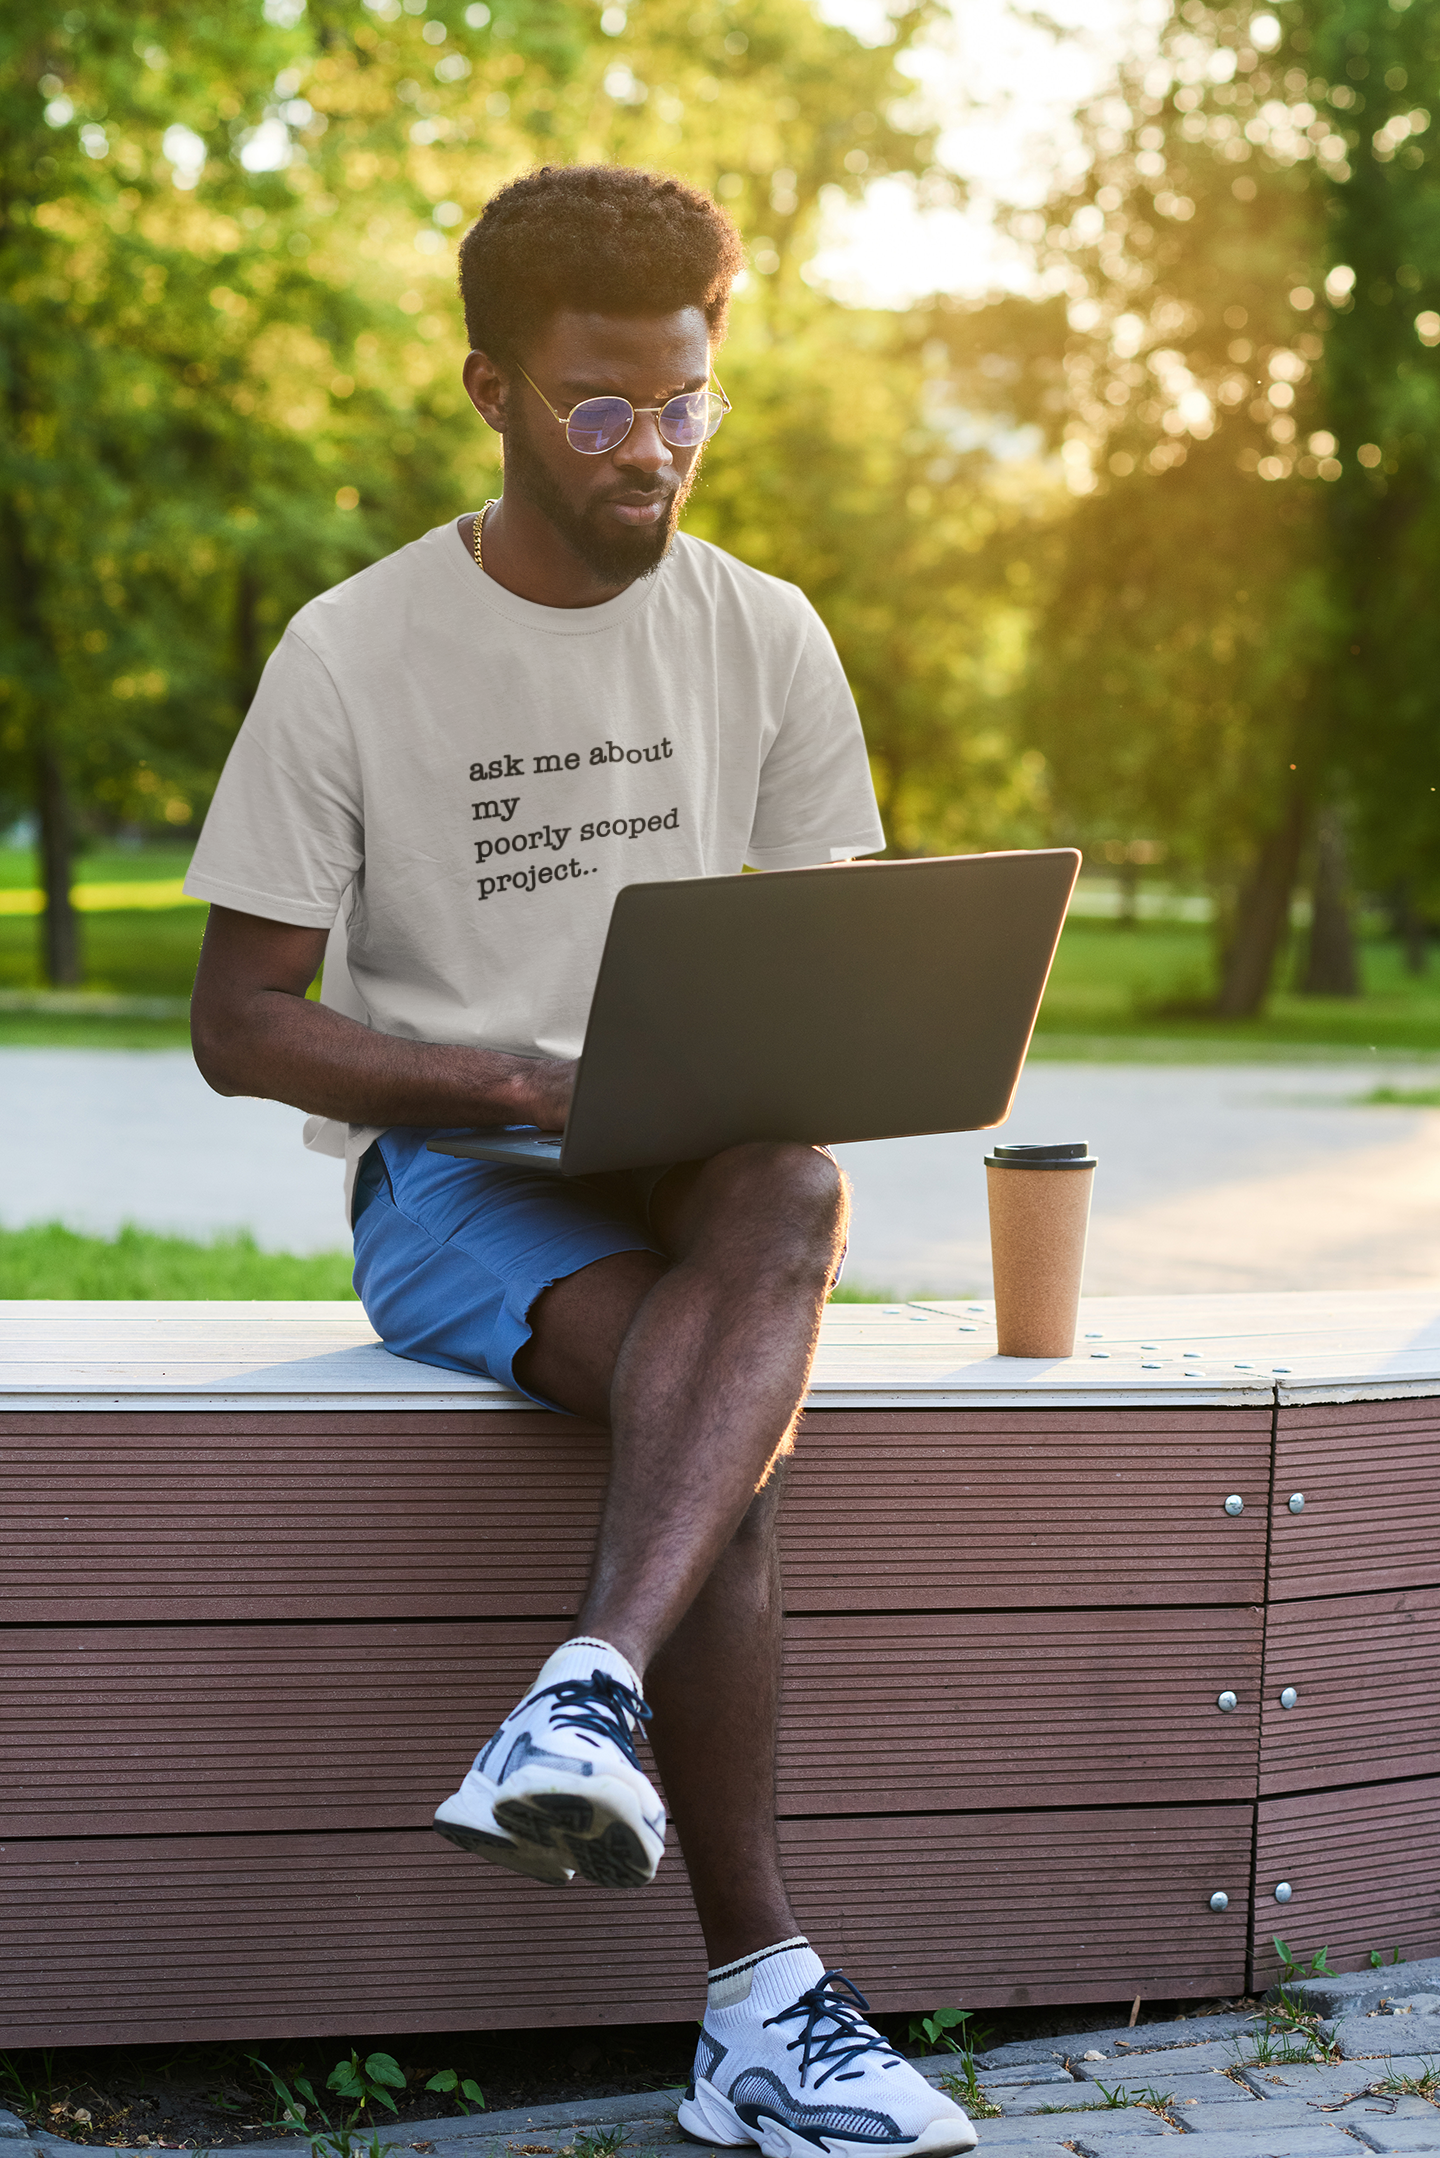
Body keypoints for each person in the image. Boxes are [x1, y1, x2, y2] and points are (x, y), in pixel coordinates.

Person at [186, 164, 976, 2158]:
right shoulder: (353, 651)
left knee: (789, 1187)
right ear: (493, 391)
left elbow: (833, 962)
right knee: (713, 1423)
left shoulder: (770, 636)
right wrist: (522, 1084)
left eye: (688, 405)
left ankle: (587, 1689)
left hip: (699, 1160)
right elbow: (240, 1017)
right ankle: (764, 2000)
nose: (654, 455)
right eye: (601, 411)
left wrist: (823, 1040)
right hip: (462, 1176)